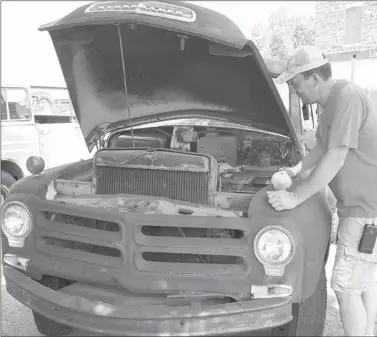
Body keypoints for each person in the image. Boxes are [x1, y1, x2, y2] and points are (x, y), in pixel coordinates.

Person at [267, 45, 377, 336]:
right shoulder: (329, 104)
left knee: (346, 288)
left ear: (314, 78)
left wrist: (294, 197)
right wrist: (295, 170)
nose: (294, 90)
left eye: (295, 83)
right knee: (363, 285)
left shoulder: (349, 98)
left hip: (365, 213)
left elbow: (336, 155)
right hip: (361, 210)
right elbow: (321, 147)